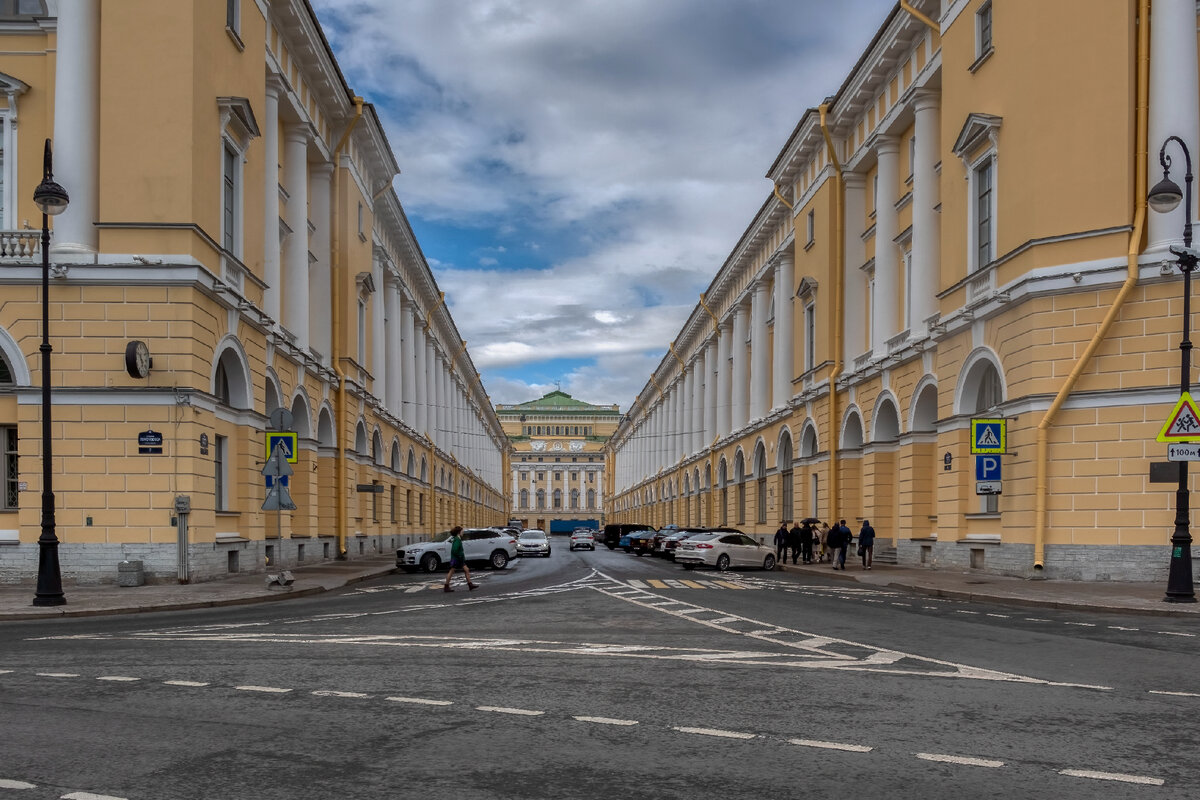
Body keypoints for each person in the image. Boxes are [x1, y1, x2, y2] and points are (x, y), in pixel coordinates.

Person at [443, 526, 478, 592]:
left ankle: (470, 585)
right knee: (451, 571)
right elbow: (454, 550)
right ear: (459, 532)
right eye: (462, 531)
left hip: (459, 559)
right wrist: (460, 555)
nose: (463, 532)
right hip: (457, 559)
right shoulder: (457, 540)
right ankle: (446, 586)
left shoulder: (457, 539)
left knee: (466, 570)